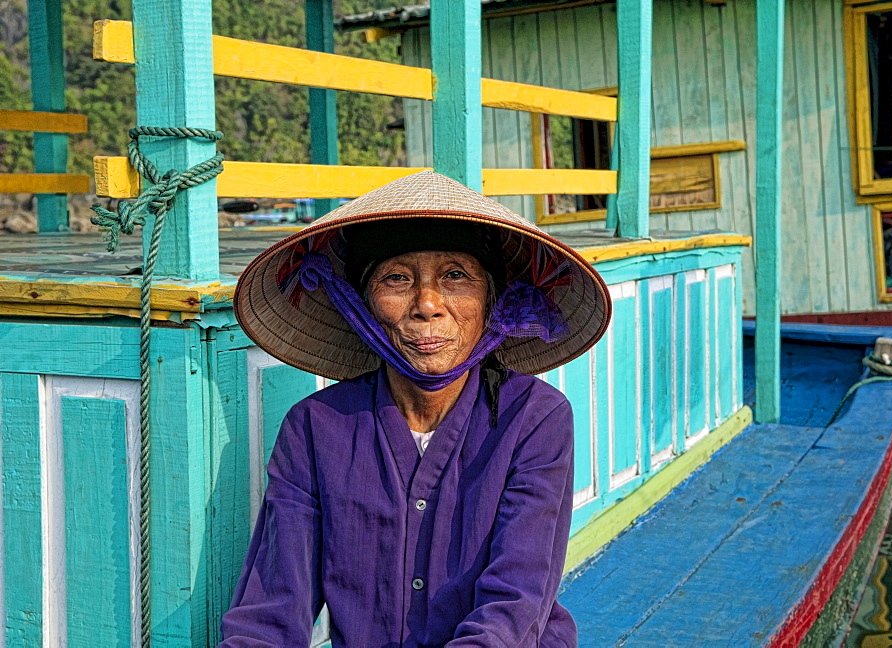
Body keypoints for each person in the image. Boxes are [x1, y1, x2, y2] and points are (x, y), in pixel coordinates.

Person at [221, 171, 611, 646]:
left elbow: (515, 599)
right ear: (360, 306)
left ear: (490, 302)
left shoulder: (535, 418)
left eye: (455, 276)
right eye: (397, 279)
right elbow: (272, 609)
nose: (427, 304)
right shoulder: (314, 428)